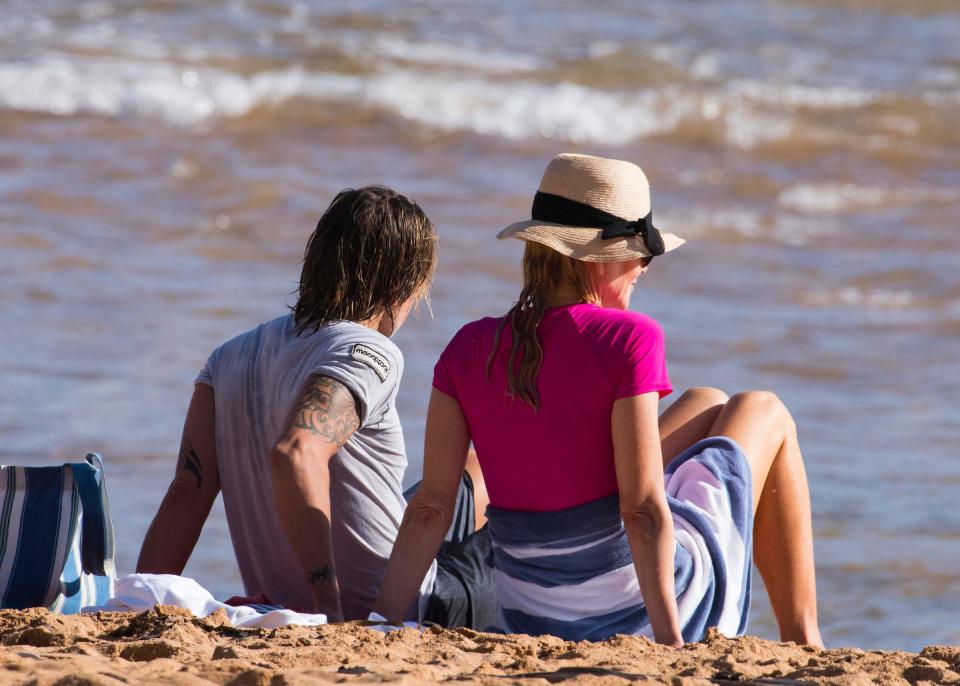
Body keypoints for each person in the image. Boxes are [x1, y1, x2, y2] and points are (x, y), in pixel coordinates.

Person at [374, 154, 823, 647]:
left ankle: (798, 635)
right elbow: (641, 511)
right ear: (600, 256)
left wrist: (382, 620)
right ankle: (803, 637)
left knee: (707, 400)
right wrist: (671, 645)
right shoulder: (629, 338)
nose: (644, 267)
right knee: (765, 409)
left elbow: (431, 508)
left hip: (531, 611)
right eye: (640, 253)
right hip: (633, 613)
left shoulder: (467, 347)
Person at [137, 186, 490, 624]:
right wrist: (327, 603)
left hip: (276, 598)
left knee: (475, 470)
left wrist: (140, 598)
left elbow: (187, 493)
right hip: (398, 603)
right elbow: (296, 452)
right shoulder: (370, 351)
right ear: (400, 286)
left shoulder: (227, 357)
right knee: (507, 496)